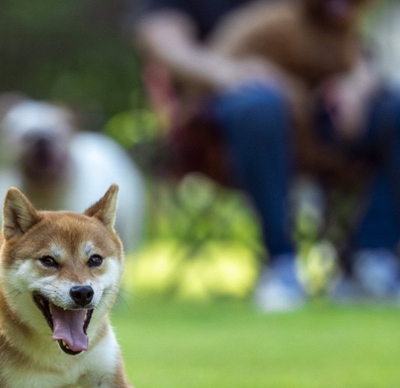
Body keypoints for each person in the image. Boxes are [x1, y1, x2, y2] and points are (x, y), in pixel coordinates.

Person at [134, 0, 400, 311]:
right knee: (260, 103)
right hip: (228, 122)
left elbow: (356, 53)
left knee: (394, 109)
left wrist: (355, 87)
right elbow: (164, 43)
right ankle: (282, 263)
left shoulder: (325, 18)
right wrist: (231, 72)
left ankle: (372, 258)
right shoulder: (261, 25)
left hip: (323, 118)